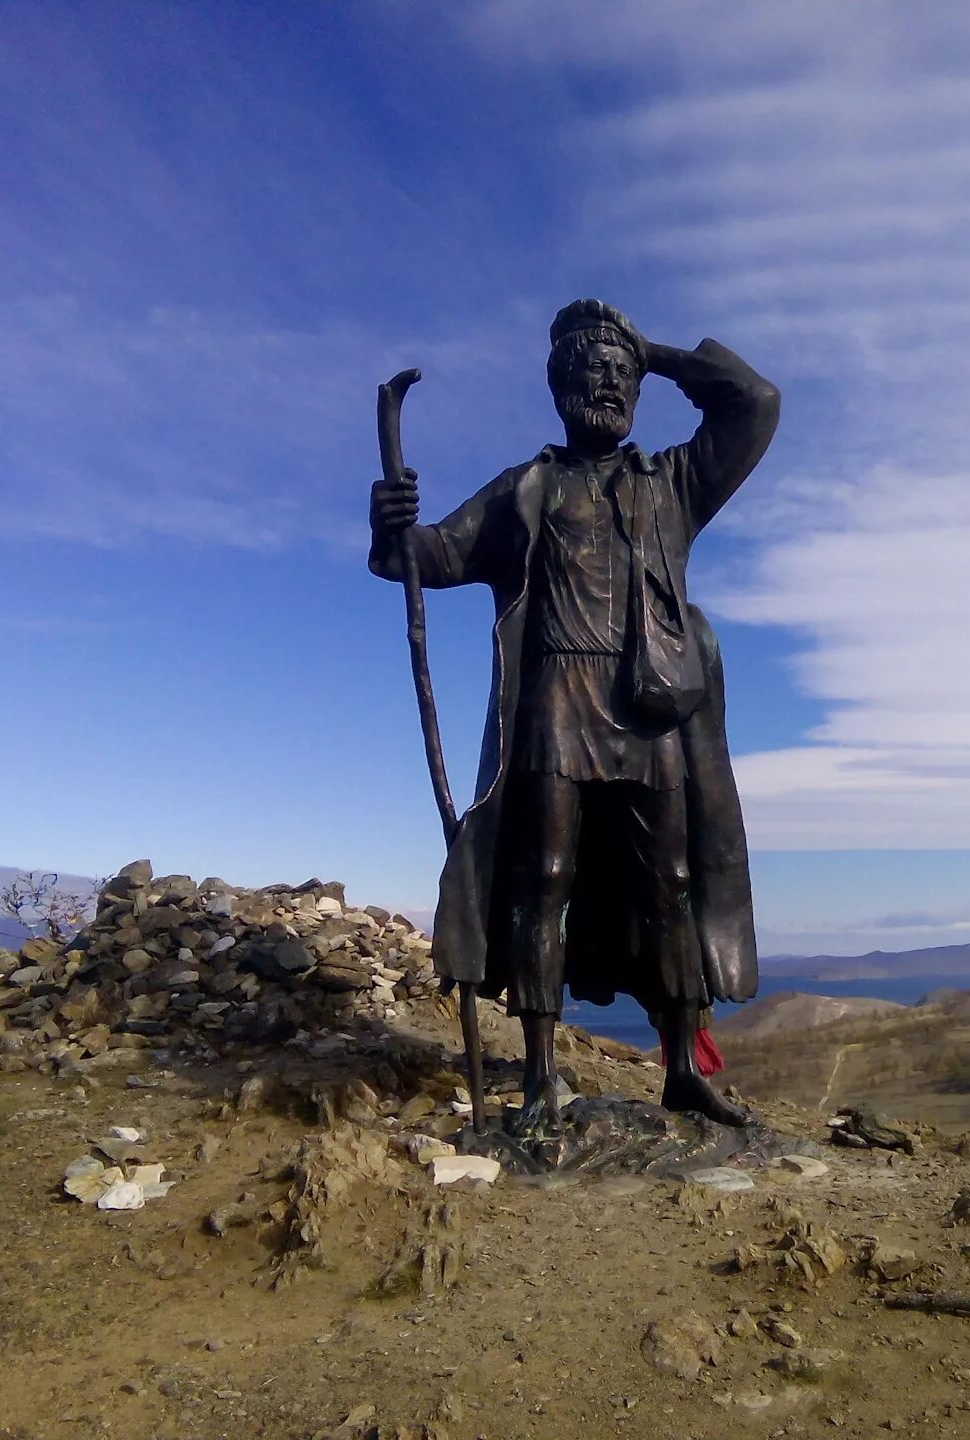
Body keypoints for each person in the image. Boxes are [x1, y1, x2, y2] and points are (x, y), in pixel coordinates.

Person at [369, 300, 778, 1132]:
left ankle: (681, 1072)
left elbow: (756, 402)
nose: (608, 383)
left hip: (649, 711)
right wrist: (393, 529)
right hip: (554, 703)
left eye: (622, 374)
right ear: (558, 388)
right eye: (591, 369)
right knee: (541, 882)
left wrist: (655, 350)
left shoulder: (675, 482)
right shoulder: (527, 486)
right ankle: (542, 1074)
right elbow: (433, 556)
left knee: (672, 886)